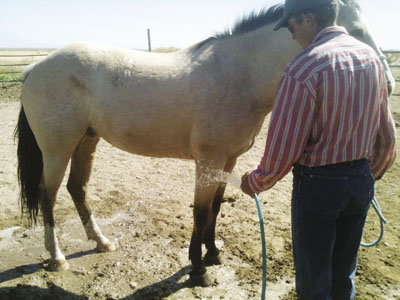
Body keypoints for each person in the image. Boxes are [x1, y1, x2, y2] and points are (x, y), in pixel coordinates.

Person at [240, 0, 397, 299]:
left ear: (307, 20)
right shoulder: (371, 59)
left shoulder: (303, 68)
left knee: (315, 279)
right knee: (344, 272)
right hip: (360, 182)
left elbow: (284, 148)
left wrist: (257, 181)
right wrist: (366, 174)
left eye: (291, 25)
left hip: (319, 187)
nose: (290, 34)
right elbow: (387, 136)